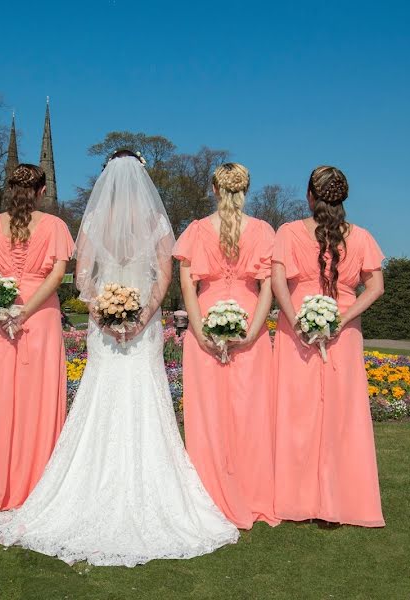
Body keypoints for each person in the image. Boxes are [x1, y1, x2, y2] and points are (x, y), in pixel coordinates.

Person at [0, 150, 239, 567]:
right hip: (143, 323)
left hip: (103, 324)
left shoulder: (94, 219)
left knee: (101, 398)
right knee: (143, 398)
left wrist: (102, 312)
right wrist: (140, 318)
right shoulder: (155, 222)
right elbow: (165, 276)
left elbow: (82, 278)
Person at [272, 165, 386, 527]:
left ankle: (296, 502)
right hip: (344, 335)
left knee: (296, 415)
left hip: (297, 334)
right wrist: (344, 316)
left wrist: (297, 320)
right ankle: (341, 502)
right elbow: (377, 287)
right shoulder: (363, 236)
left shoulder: (288, 232)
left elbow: (277, 284)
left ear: (309, 195)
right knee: (343, 417)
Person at [174, 162, 278, 529]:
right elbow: (269, 286)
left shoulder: (197, 230)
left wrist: (199, 330)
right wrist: (255, 329)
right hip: (251, 324)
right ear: (245, 189)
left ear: (214, 190)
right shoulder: (264, 231)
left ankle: (208, 494)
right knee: (251, 413)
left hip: (206, 321)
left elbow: (188, 285)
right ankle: (251, 493)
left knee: (208, 415)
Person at [0, 164, 74, 514]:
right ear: (43, 191)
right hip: (38, 317)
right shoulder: (55, 226)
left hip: (3, 318)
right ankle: (36, 484)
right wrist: (24, 311)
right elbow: (57, 275)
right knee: (37, 399)